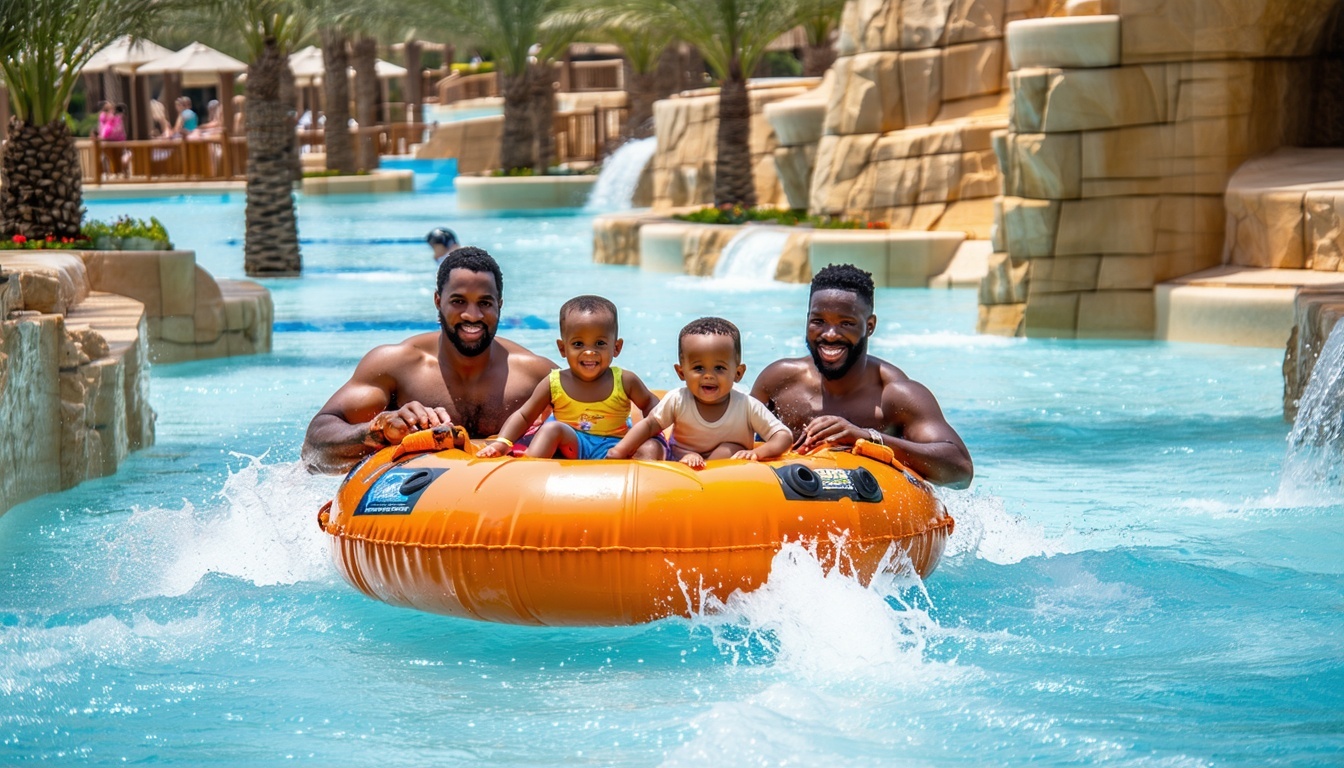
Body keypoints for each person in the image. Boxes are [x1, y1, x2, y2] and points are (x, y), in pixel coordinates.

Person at [302, 246, 556, 474]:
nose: (472, 315)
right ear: (438, 301)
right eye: (458, 301)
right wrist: (377, 430)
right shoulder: (396, 366)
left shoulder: (537, 377)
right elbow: (312, 451)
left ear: (499, 305)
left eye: (485, 303)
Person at [750, 264, 973, 489]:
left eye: (846, 323)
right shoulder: (778, 382)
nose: (829, 334)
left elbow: (961, 471)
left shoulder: (894, 395)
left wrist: (867, 438)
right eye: (818, 321)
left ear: (870, 326)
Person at [477, 295, 665, 460]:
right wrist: (503, 442)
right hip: (573, 444)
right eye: (578, 344)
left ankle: (645, 488)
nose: (589, 352)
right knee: (552, 429)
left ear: (616, 347)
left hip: (617, 447)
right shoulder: (554, 382)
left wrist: (652, 433)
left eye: (600, 343)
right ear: (562, 348)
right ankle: (530, 471)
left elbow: (650, 403)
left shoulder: (625, 380)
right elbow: (525, 415)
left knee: (652, 447)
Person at [608, 317, 792, 469]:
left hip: (726, 469)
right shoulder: (678, 399)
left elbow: (783, 436)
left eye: (719, 368)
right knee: (649, 446)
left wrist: (757, 453)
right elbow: (649, 426)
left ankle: (707, 481)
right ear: (681, 372)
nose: (708, 376)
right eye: (698, 368)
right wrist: (620, 450)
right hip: (680, 460)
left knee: (729, 448)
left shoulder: (746, 406)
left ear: (738, 373)